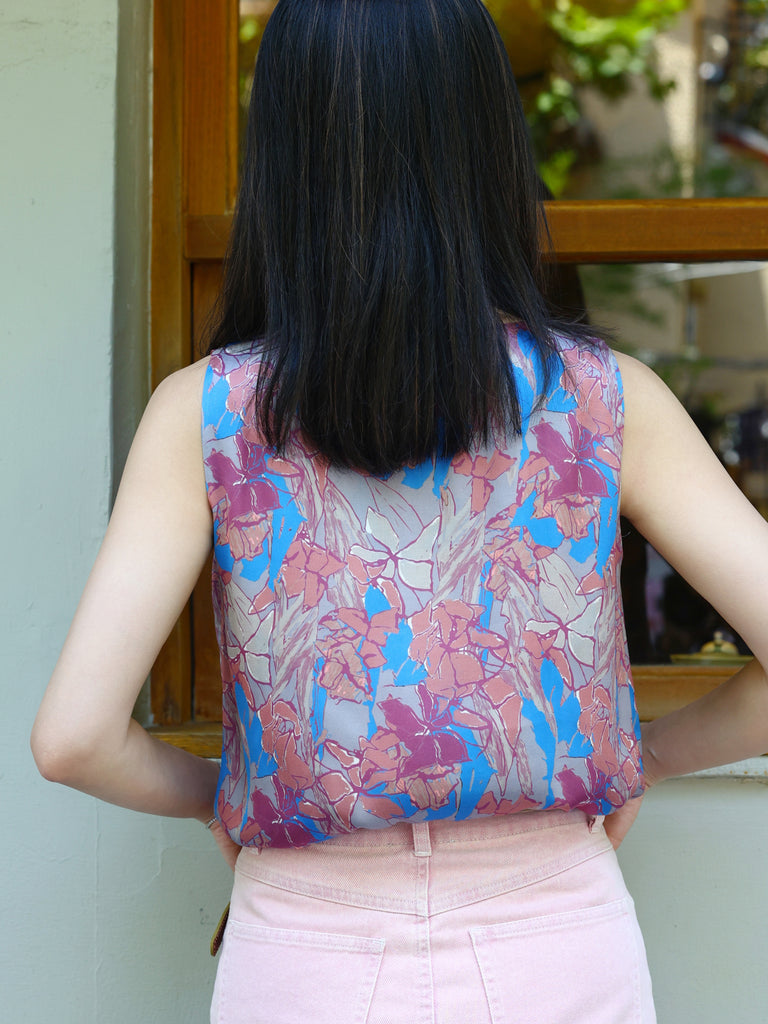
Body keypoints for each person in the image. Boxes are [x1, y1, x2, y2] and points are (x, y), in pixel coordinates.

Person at [31, 1, 768, 1022]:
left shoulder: (204, 414)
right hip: (556, 934)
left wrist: (232, 795)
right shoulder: (607, 399)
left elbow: (73, 738)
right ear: (487, 144)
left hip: (304, 945)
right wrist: (639, 753)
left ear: (282, 156)